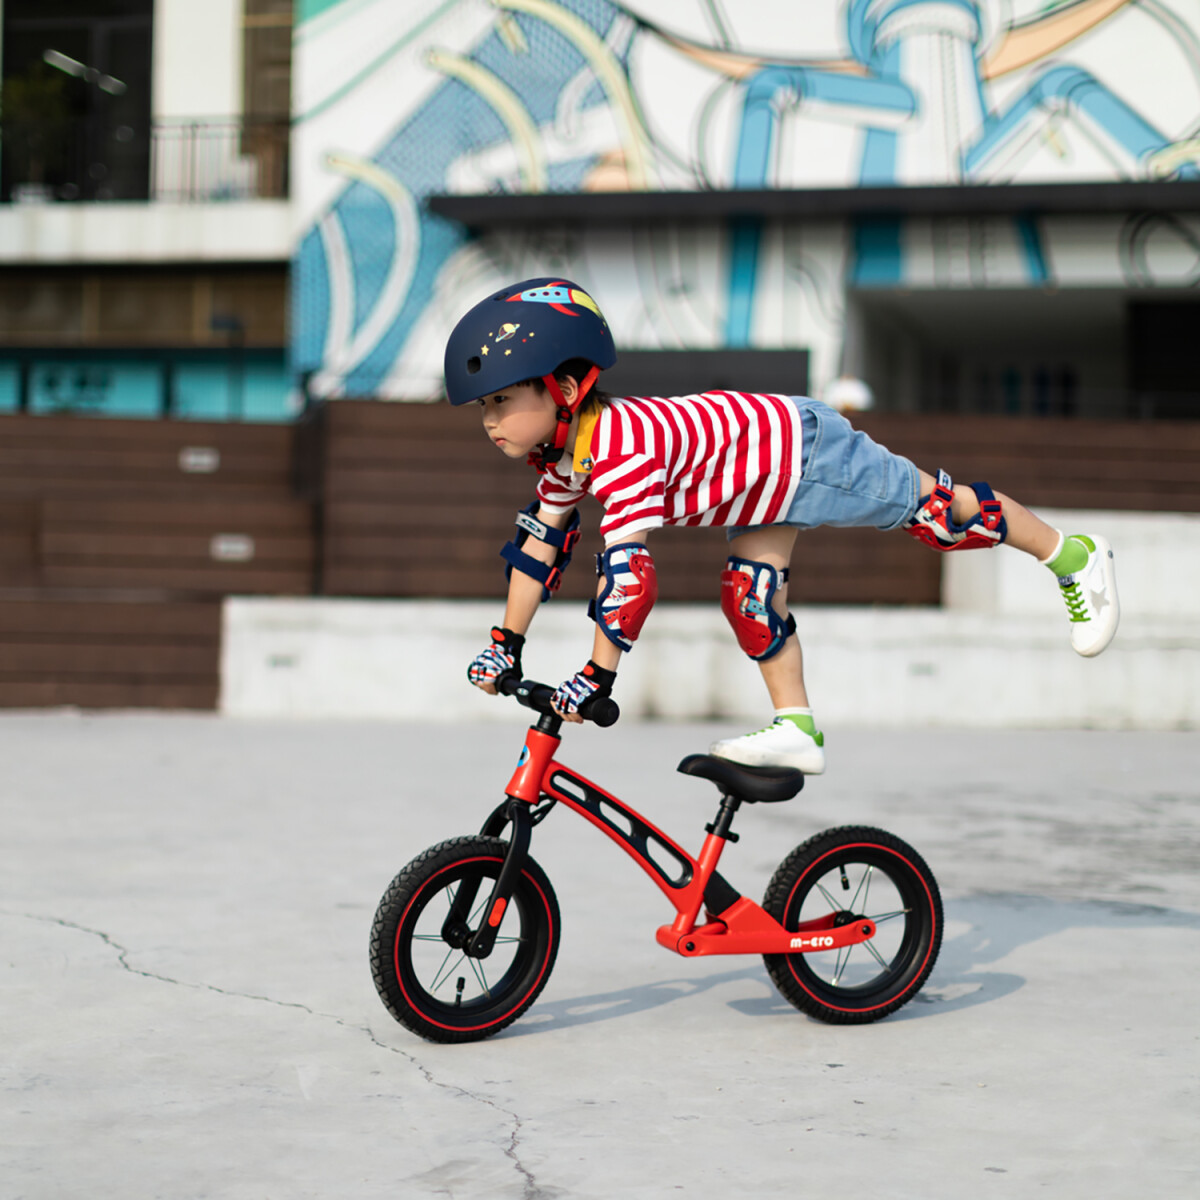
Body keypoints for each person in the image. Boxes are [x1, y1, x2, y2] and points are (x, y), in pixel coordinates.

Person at [446, 277, 1119, 773]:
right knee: (750, 598)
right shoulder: (568, 460)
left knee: (940, 514)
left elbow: (629, 579)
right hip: (754, 488)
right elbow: (539, 548)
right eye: (484, 407)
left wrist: (595, 677)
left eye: (503, 400)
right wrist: (506, 641)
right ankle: (797, 728)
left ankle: (1070, 555)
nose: (490, 421)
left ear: (563, 389)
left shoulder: (623, 449)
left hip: (802, 452)